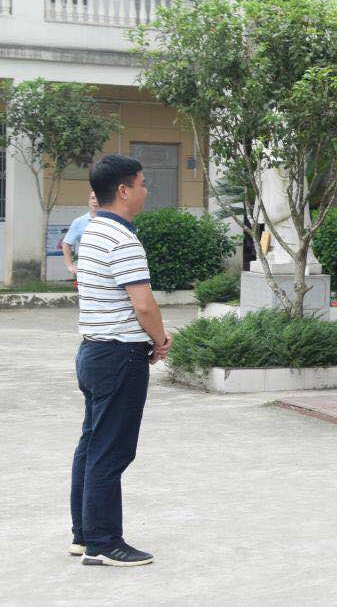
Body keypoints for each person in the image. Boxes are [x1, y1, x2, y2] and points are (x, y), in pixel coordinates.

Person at [71, 154, 169, 568]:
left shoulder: (93, 230)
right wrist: (160, 340)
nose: (147, 190)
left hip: (94, 351)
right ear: (124, 190)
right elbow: (144, 305)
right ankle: (103, 542)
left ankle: (84, 534)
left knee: (92, 445)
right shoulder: (122, 240)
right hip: (119, 357)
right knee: (111, 451)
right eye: (143, 183)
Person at [60, 192, 99, 279]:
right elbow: (66, 244)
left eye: (98, 198)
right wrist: (70, 265)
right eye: (92, 198)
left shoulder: (110, 220)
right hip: (86, 270)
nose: (95, 201)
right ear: (89, 201)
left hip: (106, 269)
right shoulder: (79, 222)